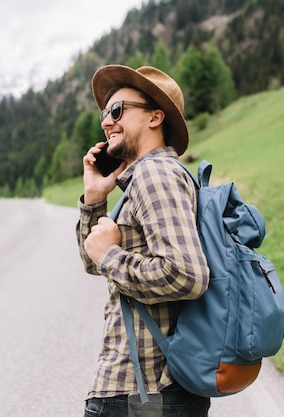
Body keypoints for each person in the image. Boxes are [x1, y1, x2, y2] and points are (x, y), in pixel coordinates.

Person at [76, 65, 211, 417]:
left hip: (142, 392)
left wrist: (110, 255)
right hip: (149, 391)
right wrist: (94, 198)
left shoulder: (155, 174)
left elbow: (186, 274)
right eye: (105, 113)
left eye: (118, 110)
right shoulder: (141, 179)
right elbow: (95, 261)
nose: (106, 121)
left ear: (155, 117)